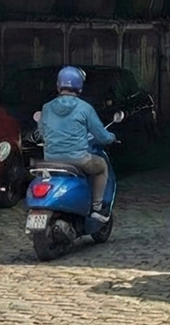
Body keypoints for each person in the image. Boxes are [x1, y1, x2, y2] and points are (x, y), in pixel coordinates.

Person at [38, 65, 118, 224]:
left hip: (50, 159)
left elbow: (42, 132)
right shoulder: (85, 108)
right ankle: (96, 207)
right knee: (101, 166)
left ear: (58, 85)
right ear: (79, 85)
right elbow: (101, 135)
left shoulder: (46, 108)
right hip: (78, 159)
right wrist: (112, 137)